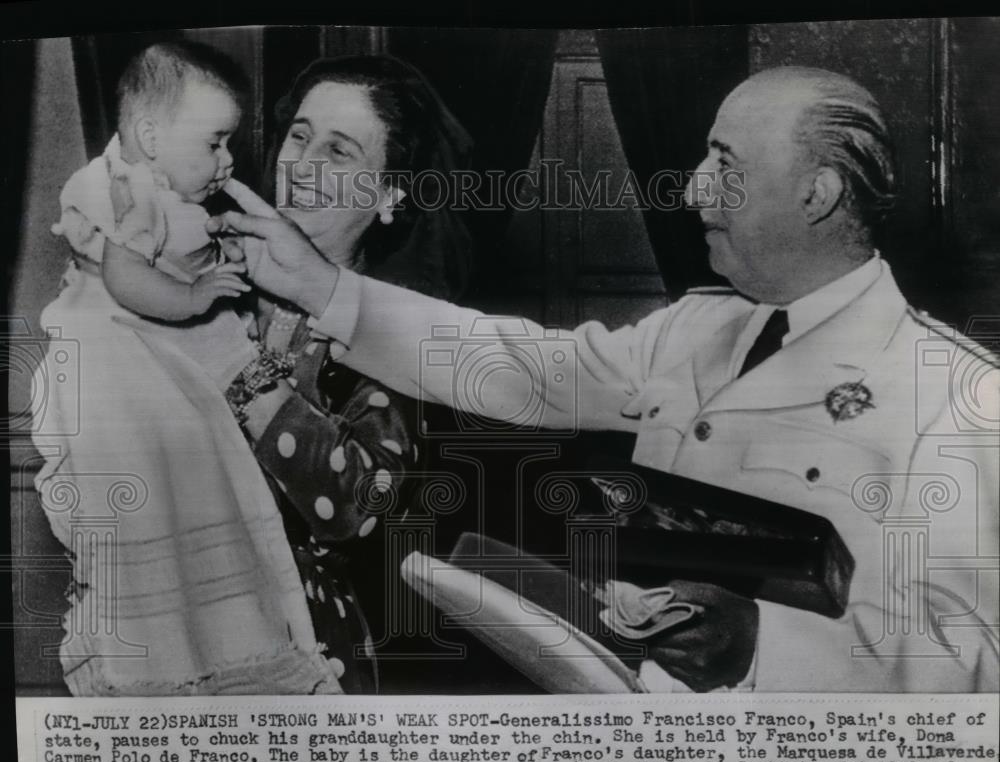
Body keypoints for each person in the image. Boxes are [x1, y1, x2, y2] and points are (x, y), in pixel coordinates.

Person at [213, 66, 1000, 693]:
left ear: (816, 193)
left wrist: (767, 648)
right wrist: (324, 290)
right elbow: (519, 367)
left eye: (724, 163)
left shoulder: (954, 394)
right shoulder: (699, 325)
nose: (692, 188)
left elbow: (975, 673)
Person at [34, 41, 340, 695]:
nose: (230, 162)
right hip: (121, 369)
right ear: (149, 135)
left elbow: (245, 369)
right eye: (216, 143)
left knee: (204, 522)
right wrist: (197, 296)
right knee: (159, 515)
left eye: (340, 154)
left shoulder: (173, 202)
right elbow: (126, 279)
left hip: (189, 387)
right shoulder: (127, 192)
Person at [212, 55, 474, 692]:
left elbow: (359, 505)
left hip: (294, 639)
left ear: (389, 193)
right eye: (298, 137)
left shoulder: (390, 338)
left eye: (339, 151)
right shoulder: (206, 274)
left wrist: (239, 372)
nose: (301, 166)